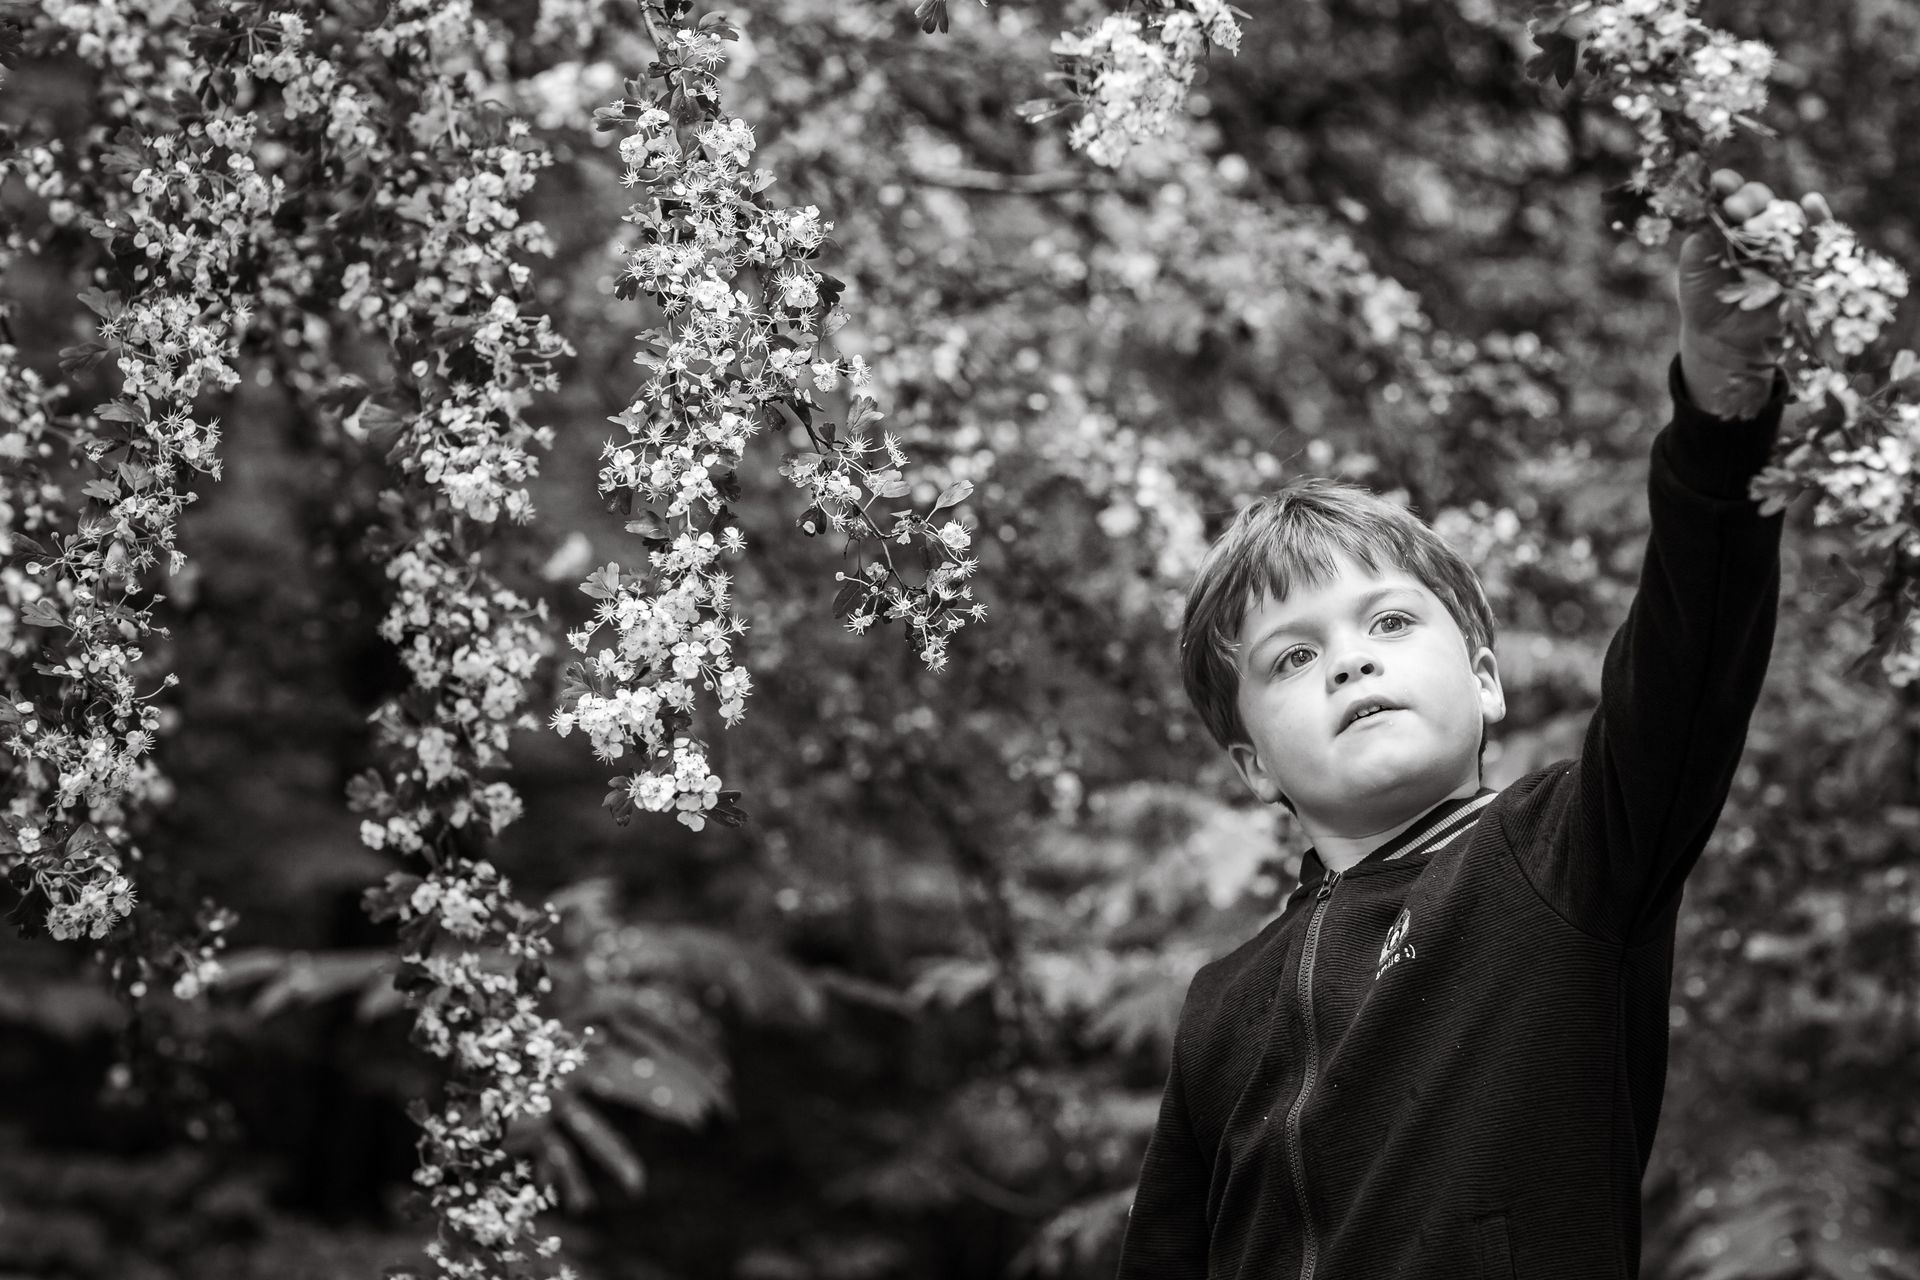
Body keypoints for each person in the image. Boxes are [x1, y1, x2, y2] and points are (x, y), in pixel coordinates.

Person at [1115, 167, 1829, 1279]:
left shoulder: (1567, 855)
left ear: (1486, 679)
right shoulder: (1223, 1003)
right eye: (1294, 656)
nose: (1350, 656)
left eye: (1390, 621)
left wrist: (1722, 426)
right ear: (1254, 765)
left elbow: (1688, 663)